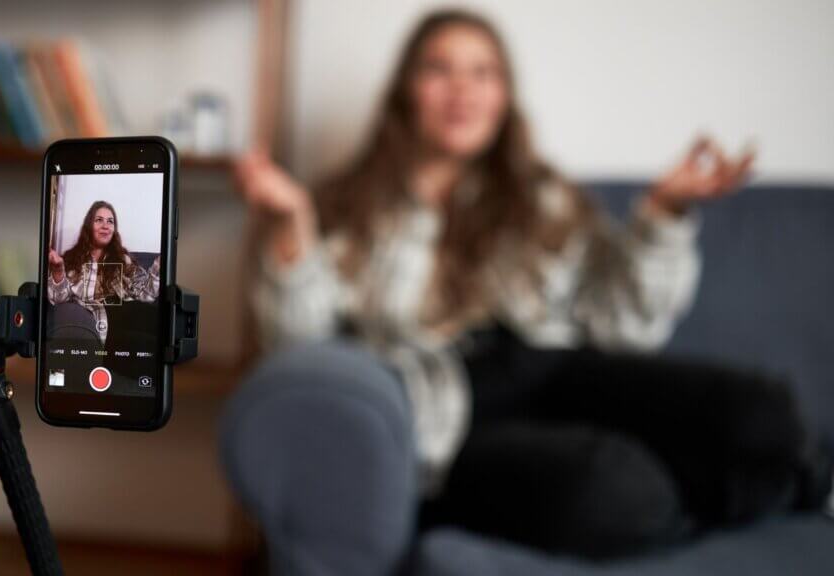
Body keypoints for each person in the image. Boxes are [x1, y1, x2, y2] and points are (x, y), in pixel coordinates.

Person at [234, 8, 832, 559]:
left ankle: (764, 488)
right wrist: (292, 228)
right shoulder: (343, 209)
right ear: (405, 92)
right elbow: (297, 349)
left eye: (483, 72)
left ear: (503, 97)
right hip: (450, 408)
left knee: (761, 414)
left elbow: (626, 328)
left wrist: (662, 216)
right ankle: (689, 502)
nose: (462, 89)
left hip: (557, 367)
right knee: (614, 492)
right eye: (439, 69)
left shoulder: (545, 199)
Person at [48, 200, 159, 343]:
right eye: (99, 220)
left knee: (157, 320)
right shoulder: (71, 260)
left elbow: (147, 294)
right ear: (89, 226)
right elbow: (58, 300)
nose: (106, 226)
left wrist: (160, 264)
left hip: (128, 314)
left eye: (110, 221)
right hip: (101, 319)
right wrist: (58, 271)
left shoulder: (123, 260)